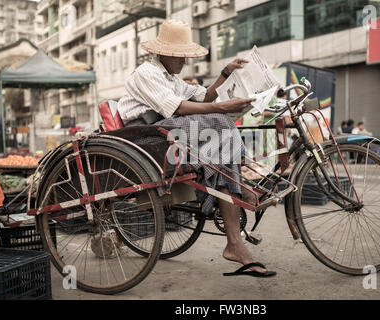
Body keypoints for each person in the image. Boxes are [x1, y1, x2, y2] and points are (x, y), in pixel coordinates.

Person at [117, 20, 275, 277]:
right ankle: (242, 193)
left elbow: (204, 97)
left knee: (221, 151)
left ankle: (235, 233)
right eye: (180, 56)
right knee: (221, 120)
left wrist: (225, 74)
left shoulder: (172, 77)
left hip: (166, 130)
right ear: (165, 53)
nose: (184, 62)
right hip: (145, 136)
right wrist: (223, 108)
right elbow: (179, 108)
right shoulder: (146, 73)